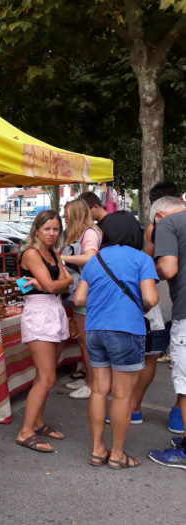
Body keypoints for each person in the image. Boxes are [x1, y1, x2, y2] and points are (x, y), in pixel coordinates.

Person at [74, 211, 158, 469]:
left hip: (95, 329)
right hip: (127, 330)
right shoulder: (142, 259)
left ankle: (98, 449)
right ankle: (118, 454)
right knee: (122, 395)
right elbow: (152, 299)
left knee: (99, 390)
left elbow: (78, 299)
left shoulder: (94, 260)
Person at [14, 210, 74, 453]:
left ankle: (37, 423)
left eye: (56, 229)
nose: (52, 233)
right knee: (47, 377)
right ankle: (25, 431)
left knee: (45, 376)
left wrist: (56, 284)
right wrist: (56, 284)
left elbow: (65, 280)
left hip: (55, 311)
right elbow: (56, 283)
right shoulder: (31, 253)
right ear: (37, 229)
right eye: (47, 229)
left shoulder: (52, 253)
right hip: (38, 313)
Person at [130, 183, 182, 431]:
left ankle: (133, 409)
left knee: (150, 357)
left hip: (161, 299)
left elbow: (149, 262)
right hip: (178, 300)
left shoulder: (160, 226)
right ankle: (176, 414)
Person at [148, 196, 186, 467]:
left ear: (158, 215)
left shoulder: (168, 224)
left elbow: (168, 267)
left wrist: (147, 273)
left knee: (185, 387)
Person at [61, 199, 102, 400]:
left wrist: (62, 258)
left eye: (66, 214)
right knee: (83, 342)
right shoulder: (83, 234)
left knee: (86, 343)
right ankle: (88, 379)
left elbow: (91, 257)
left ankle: (91, 384)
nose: (64, 218)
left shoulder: (89, 234)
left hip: (88, 295)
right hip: (82, 294)